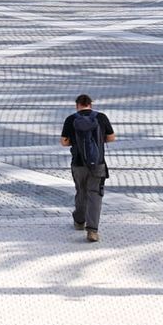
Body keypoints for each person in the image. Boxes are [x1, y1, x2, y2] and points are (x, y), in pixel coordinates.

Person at [61, 94, 115, 242]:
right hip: (97, 163)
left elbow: (64, 142)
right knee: (95, 194)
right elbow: (111, 137)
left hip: (78, 164)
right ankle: (92, 230)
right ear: (91, 104)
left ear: (77, 105)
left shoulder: (71, 119)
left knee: (81, 191)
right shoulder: (101, 118)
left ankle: (79, 221)